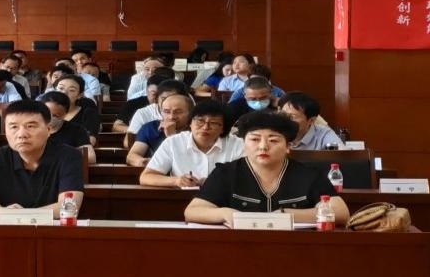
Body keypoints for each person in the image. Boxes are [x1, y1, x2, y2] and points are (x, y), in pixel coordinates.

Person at [184, 111, 350, 227]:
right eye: (255, 139)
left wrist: (284, 215)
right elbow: (193, 211)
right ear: (244, 144)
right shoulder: (226, 173)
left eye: (273, 140)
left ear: (288, 146)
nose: (263, 146)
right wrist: (225, 213)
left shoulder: (308, 175)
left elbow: (341, 212)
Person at [0, 100, 85, 218]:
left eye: (30, 126)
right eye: (14, 127)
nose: (21, 134)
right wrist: (1, 212)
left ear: (48, 130)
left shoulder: (69, 156)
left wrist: (19, 215)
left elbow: (68, 208)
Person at [140, 100, 242, 188]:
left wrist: (218, 182)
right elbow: (146, 177)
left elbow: (247, 180)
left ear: (223, 128)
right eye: (200, 121)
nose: (205, 127)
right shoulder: (173, 142)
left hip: (224, 201)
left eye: (213, 123)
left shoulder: (238, 145)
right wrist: (177, 181)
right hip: (182, 199)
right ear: (190, 123)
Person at [126, 92, 194, 166]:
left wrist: (171, 136)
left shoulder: (196, 130)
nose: (171, 117)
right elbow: (132, 156)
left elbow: (188, 161)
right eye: (166, 112)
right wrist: (141, 161)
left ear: (190, 113)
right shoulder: (151, 127)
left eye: (178, 112)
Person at [40, 91, 96, 164]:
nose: (50, 118)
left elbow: (91, 157)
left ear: (65, 114)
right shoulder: (31, 129)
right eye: (47, 113)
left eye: (56, 115)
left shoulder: (76, 130)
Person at [278, 92, 344, 151]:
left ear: (311, 120)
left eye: (292, 117)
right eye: (283, 114)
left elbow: (341, 155)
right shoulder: (275, 131)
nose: (285, 120)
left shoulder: (323, 134)